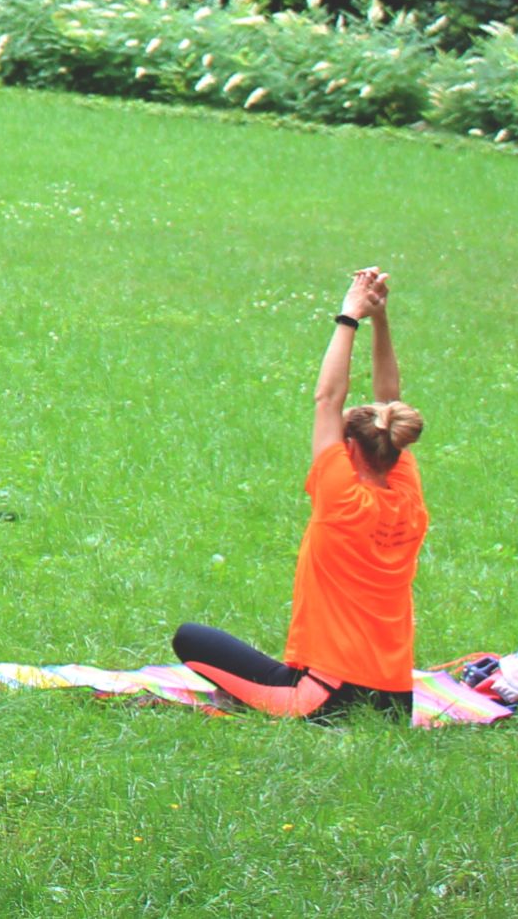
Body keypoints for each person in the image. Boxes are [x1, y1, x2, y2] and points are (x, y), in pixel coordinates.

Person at [173, 267, 427, 722]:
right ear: (393, 446)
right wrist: (381, 320)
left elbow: (327, 399)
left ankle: (257, 701)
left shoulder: (341, 500)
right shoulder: (406, 497)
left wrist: (350, 315)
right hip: (394, 705)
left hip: (327, 699)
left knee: (190, 638)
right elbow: (389, 399)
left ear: (349, 447)